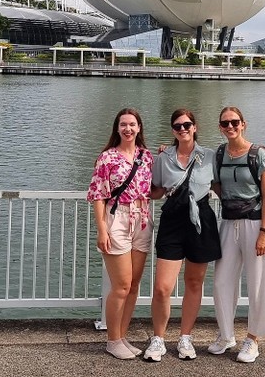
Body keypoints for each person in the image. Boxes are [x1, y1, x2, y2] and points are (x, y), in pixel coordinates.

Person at [143, 108, 221, 361]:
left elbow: (222, 184)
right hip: (173, 220)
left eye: (187, 125)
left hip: (201, 219)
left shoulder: (210, 156)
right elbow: (155, 190)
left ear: (195, 127)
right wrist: (125, 192)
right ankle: (158, 338)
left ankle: (185, 337)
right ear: (173, 131)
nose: (183, 129)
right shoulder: (164, 157)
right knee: (162, 288)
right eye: (178, 126)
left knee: (194, 282)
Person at [208, 106, 265, 363]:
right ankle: (226, 335)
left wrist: (264, 231)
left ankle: (252, 339)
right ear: (220, 127)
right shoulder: (219, 154)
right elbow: (216, 184)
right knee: (221, 282)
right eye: (225, 123)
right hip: (228, 222)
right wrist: (166, 151)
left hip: (255, 224)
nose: (230, 126)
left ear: (243, 124)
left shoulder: (258, 154)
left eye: (234, 122)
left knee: (257, 283)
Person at [86, 107, 154, 359]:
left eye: (132, 124)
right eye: (123, 124)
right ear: (117, 128)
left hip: (142, 219)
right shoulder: (107, 158)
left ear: (139, 128)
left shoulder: (146, 156)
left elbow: (154, 187)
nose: (128, 129)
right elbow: (98, 195)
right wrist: (102, 229)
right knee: (121, 286)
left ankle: (122, 337)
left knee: (134, 285)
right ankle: (112, 340)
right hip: (117, 219)